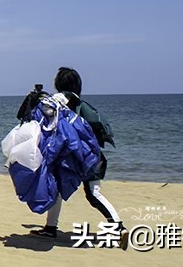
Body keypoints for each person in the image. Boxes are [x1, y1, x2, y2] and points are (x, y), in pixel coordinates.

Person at [30, 67, 126, 249]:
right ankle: (117, 227)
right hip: (93, 157)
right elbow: (102, 127)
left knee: (58, 189)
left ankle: (118, 228)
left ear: (59, 84)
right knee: (92, 193)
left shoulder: (57, 102)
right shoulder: (84, 105)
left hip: (71, 159)